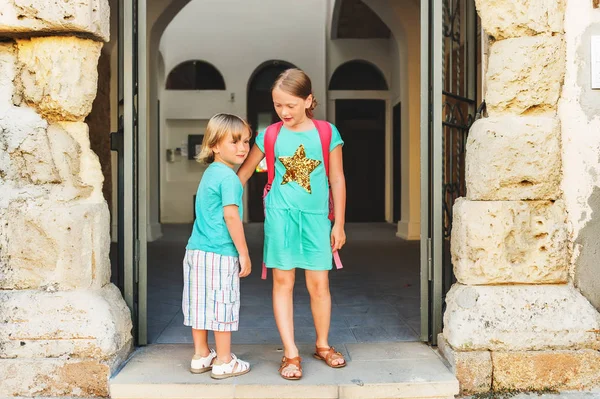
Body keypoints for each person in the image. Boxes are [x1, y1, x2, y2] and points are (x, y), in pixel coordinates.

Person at [237, 68, 347, 380]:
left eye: (291, 105)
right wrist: (216, 192)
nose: (283, 112)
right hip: (280, 219)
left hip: (316, 220)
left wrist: (338, 224)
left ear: (309, 100)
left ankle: (323, 345)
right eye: (277, 105)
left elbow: (337, 178)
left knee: (319, 285)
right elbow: (243, 175)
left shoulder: (327, 133)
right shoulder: (269, 135)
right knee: (283, 284)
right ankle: (290, 353)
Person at [182, 113, 252, 379]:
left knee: (198, 303)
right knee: (223, 304)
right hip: (221, 254)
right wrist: (243, 253)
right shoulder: (229, 179)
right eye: (234, 142)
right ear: (214, 146)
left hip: (196, 251)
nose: (243, 147)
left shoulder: (211, 173)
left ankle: (201, 355)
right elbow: (231, 216)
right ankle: (224, 360)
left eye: (245, 141)